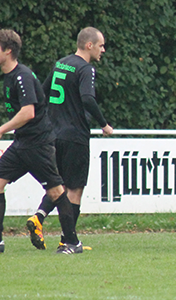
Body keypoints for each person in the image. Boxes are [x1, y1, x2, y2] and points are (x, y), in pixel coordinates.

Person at [26, 27, 113, 251]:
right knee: (75, 189)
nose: (104, 50)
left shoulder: (60, 63)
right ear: (89, 45)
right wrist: (103, 124)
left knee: (59, 184)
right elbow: (87, 99)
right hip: (75, 136)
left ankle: (39, 216)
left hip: (54, 135)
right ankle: (68, 241)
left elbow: (42, 94)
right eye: (101, 45)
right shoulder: (86, 69)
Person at [0, 29, 81, 254]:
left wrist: (2, 129)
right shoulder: (9, 76)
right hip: (22, 144)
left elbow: (28, 113)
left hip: (38, 144)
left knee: (56, 192)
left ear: (7, 51)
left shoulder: (22, 76)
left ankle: (72, 242)